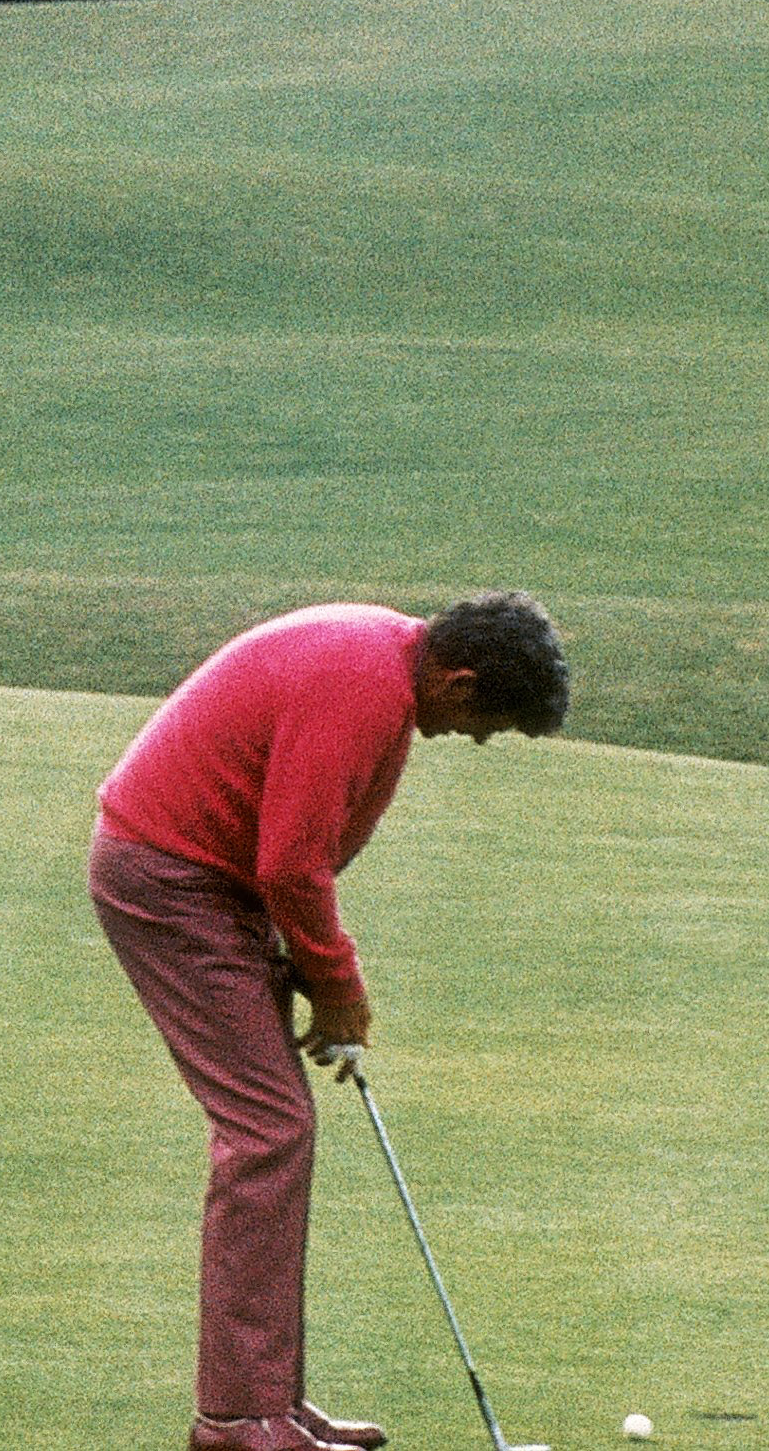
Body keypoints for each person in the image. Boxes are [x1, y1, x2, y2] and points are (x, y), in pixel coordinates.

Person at [91, 595, 572, 1451]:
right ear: (459, 681)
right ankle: (239, 1419)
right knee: (269, 1128)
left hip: (215, 884)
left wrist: (310, 968)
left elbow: (287, 854)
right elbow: (290, 860)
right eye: (484, 723)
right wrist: (339, 983)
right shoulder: (365, 685)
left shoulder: (384, 661)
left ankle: (269, 1400)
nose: (476, 738)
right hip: (172, 881)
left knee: (277, 1128)